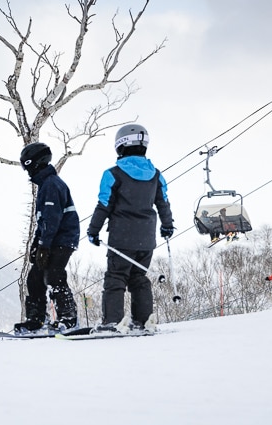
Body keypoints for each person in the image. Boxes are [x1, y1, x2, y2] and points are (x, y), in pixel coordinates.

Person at [85, 123, 174, 333]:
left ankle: (112, 321)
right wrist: (167, 226)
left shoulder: (113, 174)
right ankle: (143, 320)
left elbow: (104, 204)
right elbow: (164, 203)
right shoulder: (156, 175)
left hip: (121, 238)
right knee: (139, 277)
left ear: (120, 146)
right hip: (147, 238)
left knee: (116, 278)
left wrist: (93, 230)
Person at [15, 142, 79, 332]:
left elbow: (52, 219)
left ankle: (69, 318)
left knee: (54, 275)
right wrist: (37, 244)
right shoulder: (46, 184)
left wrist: (44, 245)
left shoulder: (51, 185)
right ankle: (36, 320)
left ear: (35, 163)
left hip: (62, 239)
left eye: (27, 167)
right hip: (51, 239)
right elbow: (42, 221)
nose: (27, 172)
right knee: (34, 278)